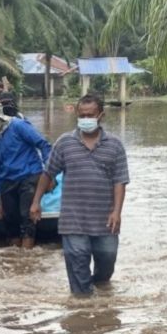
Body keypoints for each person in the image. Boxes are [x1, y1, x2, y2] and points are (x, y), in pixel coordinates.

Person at [29, 94, 129, 296]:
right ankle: (82, 311)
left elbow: (120, 181)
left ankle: (100, 297)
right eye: (82, 115)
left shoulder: (115, 145)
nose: (86, 119)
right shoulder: (64, 143)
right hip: (73, 220)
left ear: (101, 115)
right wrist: (36, 201)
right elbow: (48, 173)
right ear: (77, 114)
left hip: (105, 220)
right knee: (78, 267)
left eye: (90, 115)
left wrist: (117, 212)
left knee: (107, 262)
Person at [0, 99, 51, 249]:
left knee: (27, 217)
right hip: (8, 180)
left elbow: (43, 144)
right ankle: (13, 256)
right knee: (10, 220)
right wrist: (0, 203)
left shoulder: (18, 126)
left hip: (29, 175)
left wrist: (48, 174)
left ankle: (26, 256)